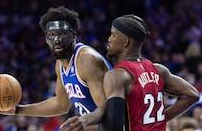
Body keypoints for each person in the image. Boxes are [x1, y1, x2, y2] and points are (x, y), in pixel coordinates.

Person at [60, 14, 200, 131]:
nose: (109, 39)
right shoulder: (158, 70)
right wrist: (161, 119)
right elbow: (191, 94)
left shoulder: (118, 75)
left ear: (125, 41)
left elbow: (113, 126)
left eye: (113, 35)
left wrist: (86, 123)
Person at [0, 6, 112, 131]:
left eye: (62, 34)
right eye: (52, 35)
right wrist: (17, 110)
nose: (57, 40)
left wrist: (83, 127)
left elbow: (111, 115)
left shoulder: (86, 60)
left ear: (73, 35)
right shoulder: (60, 64)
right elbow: (60, 105)